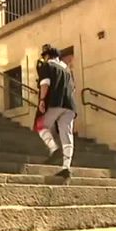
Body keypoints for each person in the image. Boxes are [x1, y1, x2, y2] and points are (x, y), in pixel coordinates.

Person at [37, 46, 77, 181]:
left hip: (54, 103)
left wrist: (42, 100)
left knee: (40, 126)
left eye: (45, 56)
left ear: (48, 56)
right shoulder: (67, 69)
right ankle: (66, 167)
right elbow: (74, 88)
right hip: (70, 105)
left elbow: (45, 84)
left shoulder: (47, 66)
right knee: (67, 135)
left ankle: (54, 149)